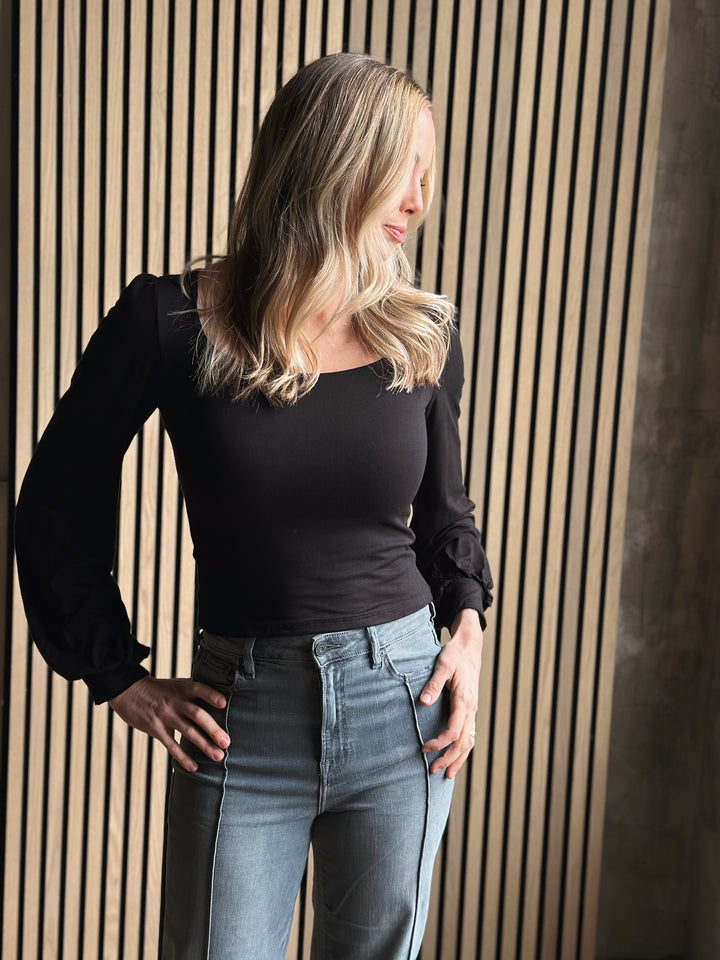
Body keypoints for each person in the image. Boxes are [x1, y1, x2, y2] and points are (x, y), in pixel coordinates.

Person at [15, 53, 493, 960]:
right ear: (331, 161)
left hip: (404, 707)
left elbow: (446, 518)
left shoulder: (421, 334)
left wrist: (465, 634)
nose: (421, 200)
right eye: (405, 170)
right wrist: (118, 677)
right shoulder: (169, 323)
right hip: (244, 715)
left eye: (430, 175)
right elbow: (53, 505)